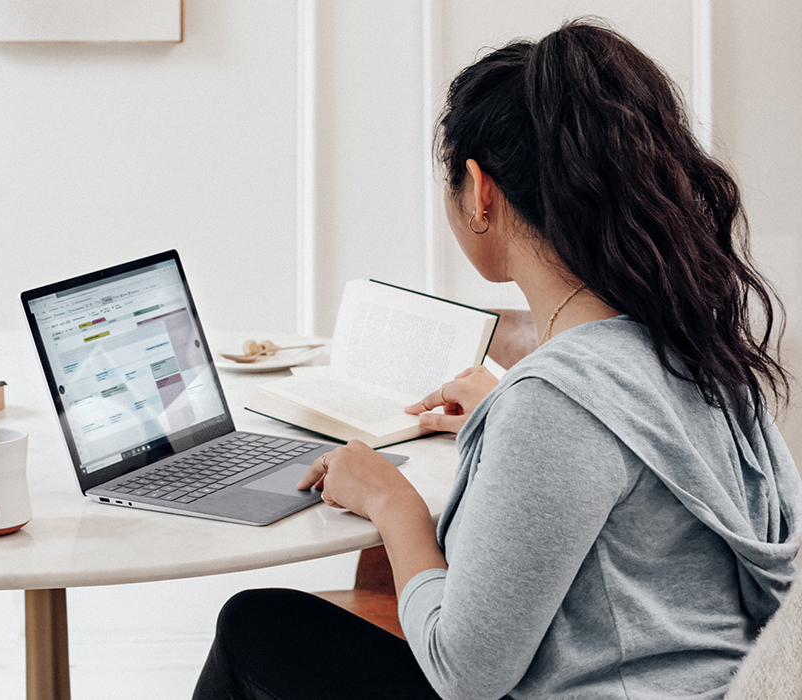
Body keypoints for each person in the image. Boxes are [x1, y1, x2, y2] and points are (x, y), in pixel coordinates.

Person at [193, 19, 802, 700]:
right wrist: (508, 412)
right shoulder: (698, 352)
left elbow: (466, 674)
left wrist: (393, 505)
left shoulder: (558, 406)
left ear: (480, 192)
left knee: (258, 626)